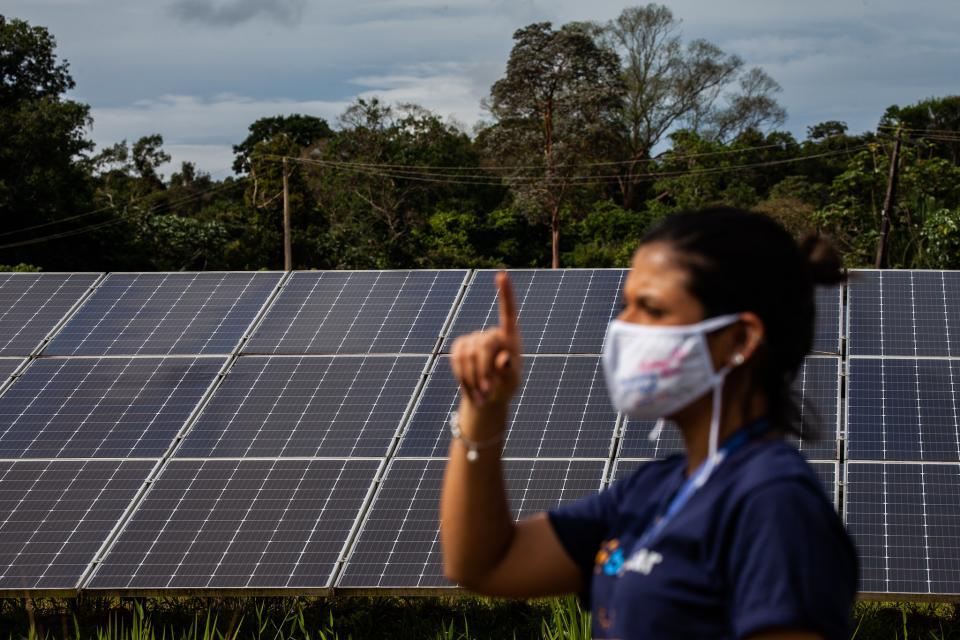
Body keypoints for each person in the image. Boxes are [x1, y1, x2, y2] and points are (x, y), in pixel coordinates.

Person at [440, 207, 858, 639]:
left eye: (652, 309)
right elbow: (483, 563)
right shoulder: (653, 492)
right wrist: (483, 403)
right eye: (626, 305)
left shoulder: (773, 503)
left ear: (739, 340)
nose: (623, 326)